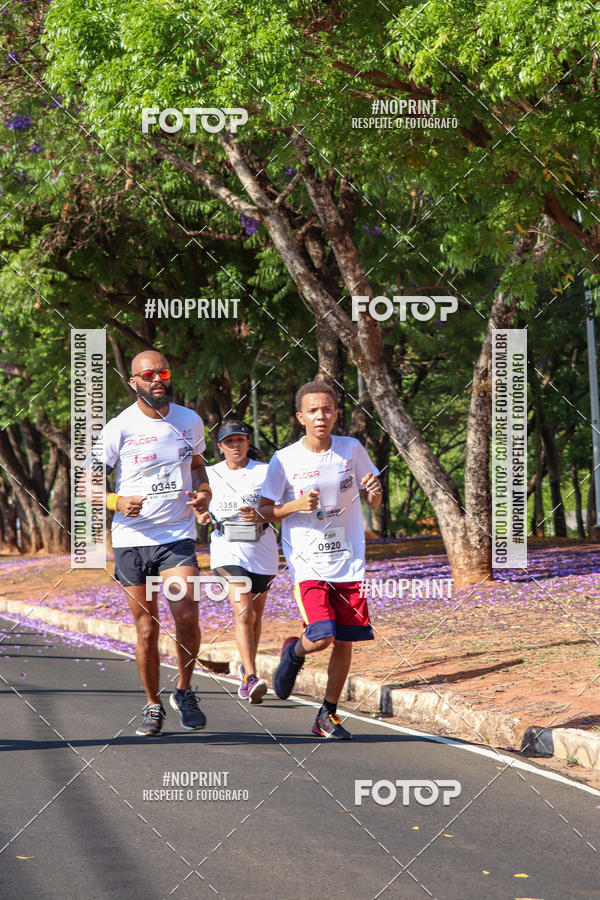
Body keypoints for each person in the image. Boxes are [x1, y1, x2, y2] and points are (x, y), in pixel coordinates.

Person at [94, 350, 211, 736]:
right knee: (146, 629)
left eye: (163, 371)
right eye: (147, 374)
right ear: (134, 382)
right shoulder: (118, 428)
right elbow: (86, 484)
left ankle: (184, 690)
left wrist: (204, 491)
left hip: (176, 535)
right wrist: (115, 501)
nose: (157, 379)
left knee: (187, 613)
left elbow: (197, 465)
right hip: (132, 539)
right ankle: (152, 704)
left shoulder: (189, 420)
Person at [259, 380, 382, 740]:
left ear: (336, 414)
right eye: (313, 410)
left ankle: (327, 715)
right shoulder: (284, 459)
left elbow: (372, 498)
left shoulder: (351, 449)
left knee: (344, 641)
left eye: (327, 409)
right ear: (301, 417)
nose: (321, 416)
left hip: (349, 561)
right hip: (309, 563)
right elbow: (265, 510)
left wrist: (373, 493)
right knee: (322, 636)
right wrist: (294, 506)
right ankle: (293, 652)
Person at [197, 421, 278, 703]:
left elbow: (279, 508)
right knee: (244, 612)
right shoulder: (209, 474)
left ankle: (246, 665)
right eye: (229, 441)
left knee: (255, 618)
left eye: (240, 440)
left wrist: (260, 514)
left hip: (262, 549)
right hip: (226, 549)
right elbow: (199, 505)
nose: (235, 445)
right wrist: (201, 515)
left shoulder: (266, 471)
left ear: (247, 442)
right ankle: (250, 677)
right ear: (219, 447)